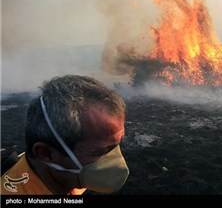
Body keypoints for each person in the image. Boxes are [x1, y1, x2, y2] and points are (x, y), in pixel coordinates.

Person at [1, 75, 130, 195]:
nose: (115, 161)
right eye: (100, 152)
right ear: (46, 153)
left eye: (117, 145)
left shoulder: (67, 174)